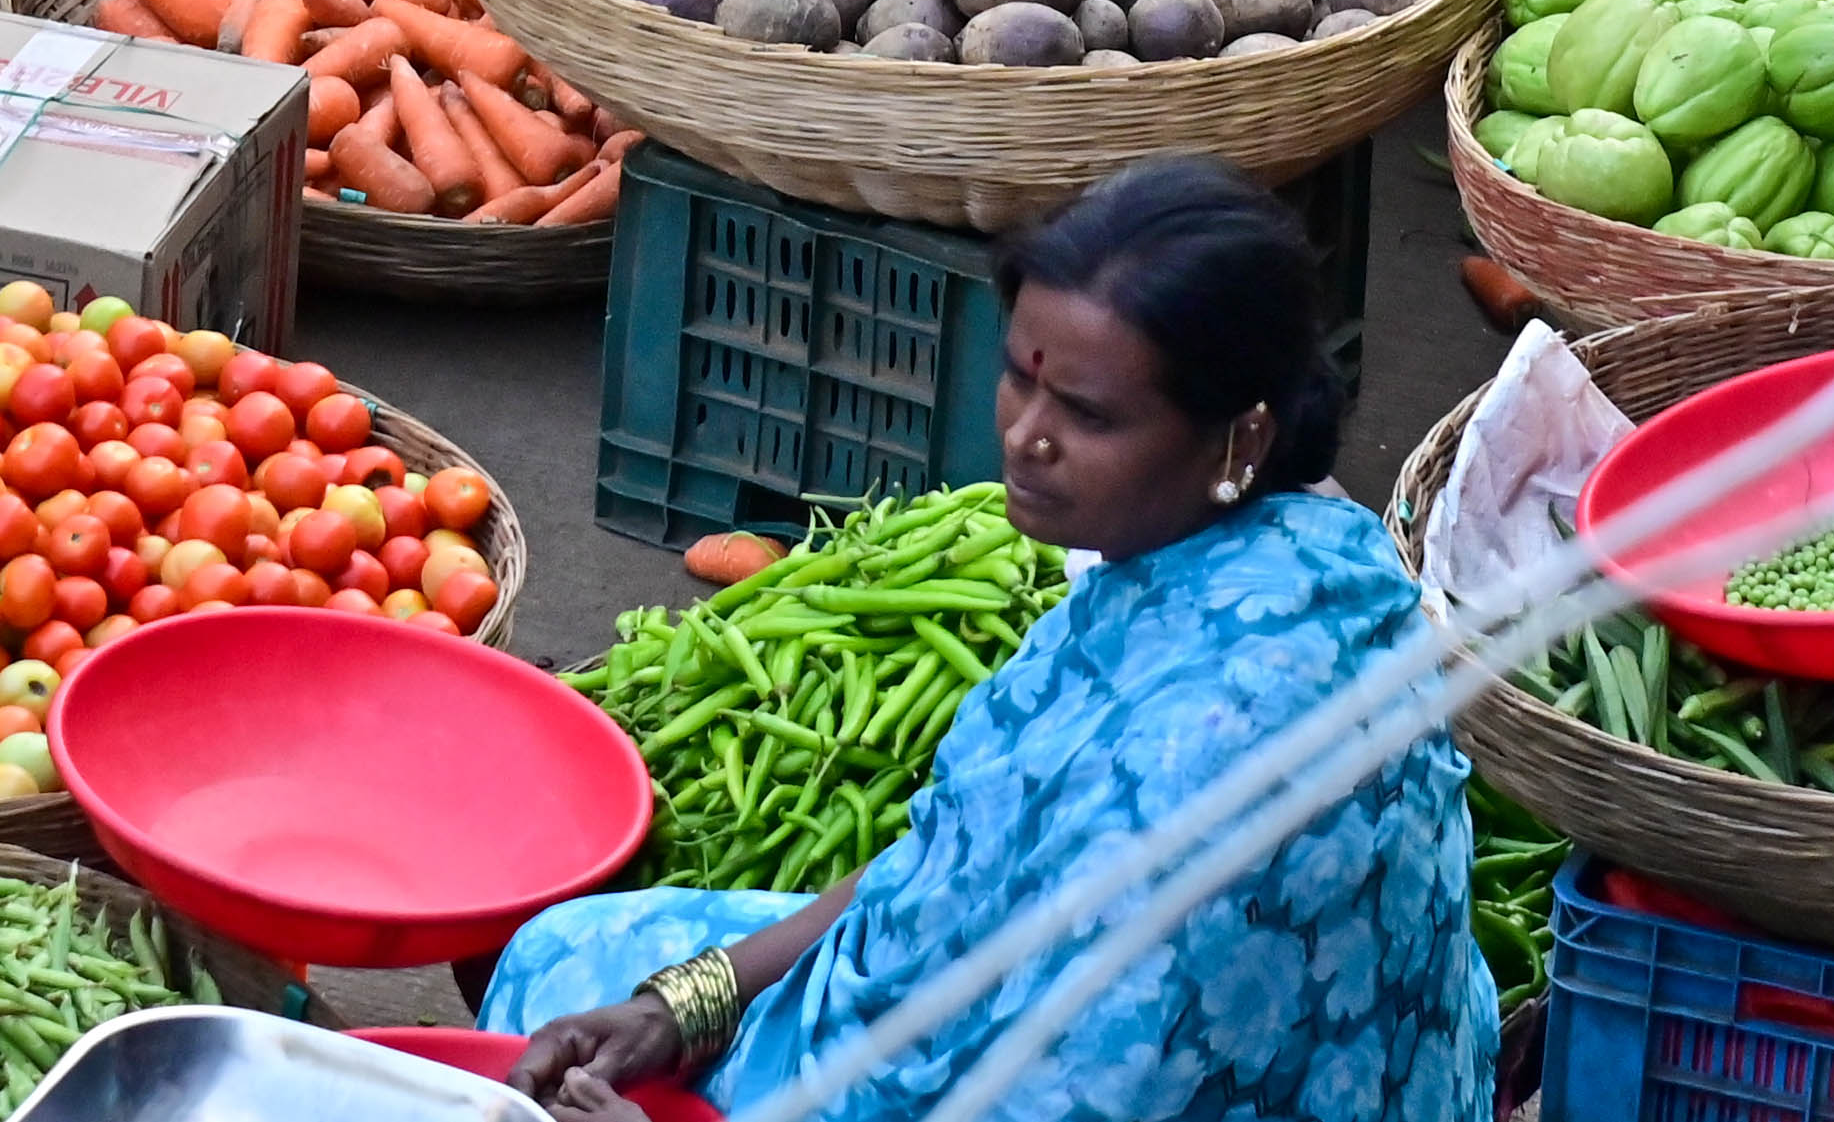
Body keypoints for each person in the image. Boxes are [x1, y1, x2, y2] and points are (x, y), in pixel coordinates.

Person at [491, 160, 1495, 1122]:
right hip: (992, 995)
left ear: (1242, 436)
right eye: (1021, 376)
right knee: (574, 961)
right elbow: (950, 860)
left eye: (1090, 412)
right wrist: (689, 999)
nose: (1025, 434)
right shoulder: (1315, 543)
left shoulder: (1192, 778)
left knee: (539, 998)